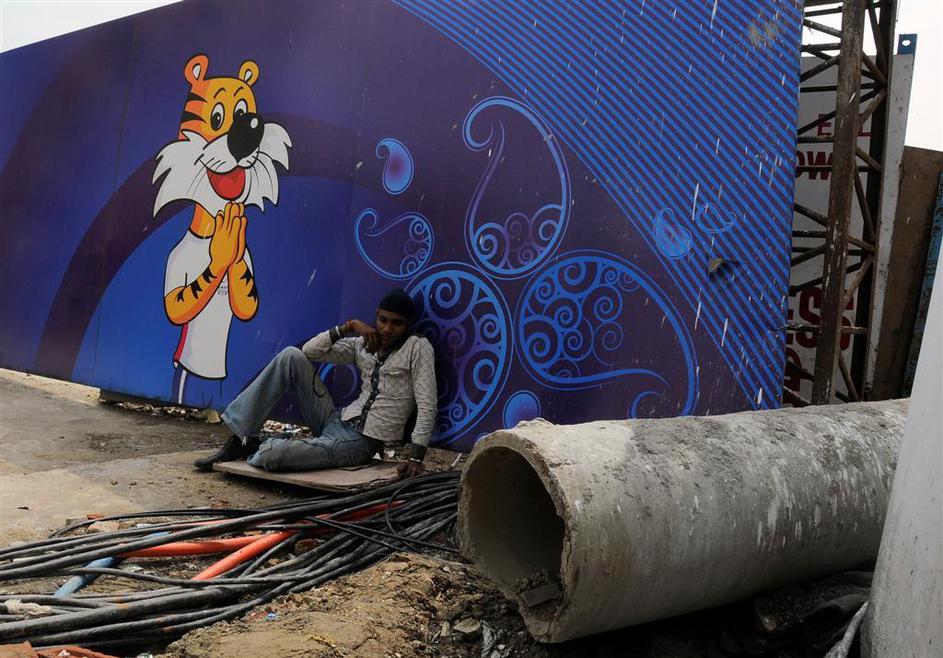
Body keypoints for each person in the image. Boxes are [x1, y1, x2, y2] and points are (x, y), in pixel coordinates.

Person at [193, 288, 437, 478]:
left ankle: (264, 445)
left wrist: (416, 457)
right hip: (334, 420)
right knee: (290, 355)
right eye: (382, 320)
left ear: (408, 324)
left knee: (268, 456)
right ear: (376, 317)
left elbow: (427, 403)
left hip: (357, 444)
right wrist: (348, 327)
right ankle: (240, 438)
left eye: (397, 323)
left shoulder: (417, 347)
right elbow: (310, 351)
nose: (387, 329)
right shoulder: (364, 343)